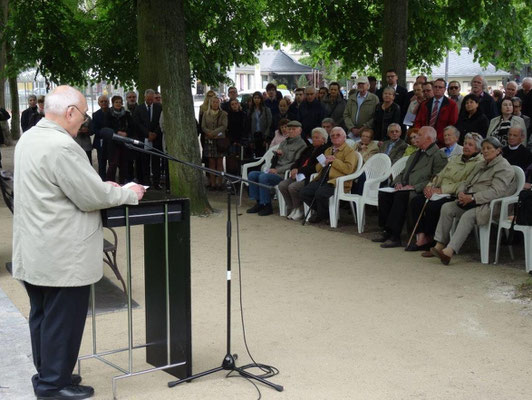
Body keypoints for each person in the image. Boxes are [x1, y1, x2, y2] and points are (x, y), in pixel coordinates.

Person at [12, 85, 146, 400]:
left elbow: (64, 186)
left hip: (36, 248)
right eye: (83, 116)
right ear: (70, 112)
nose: (83, 123)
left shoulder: (30, 137)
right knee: (63, 321)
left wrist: (98, 185)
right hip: (61, 253)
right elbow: (90, 197)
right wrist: (128, 193)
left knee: (43, 316)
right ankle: (53, 386)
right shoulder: (62, 146)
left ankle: (49, 374)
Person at [430, 137, 516, 265]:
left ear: (498, 151)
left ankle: (449, 251)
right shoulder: (480, 164)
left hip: (492, 205)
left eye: (489, 148)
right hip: (471, 201)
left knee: (468, 216)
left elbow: (496, 192)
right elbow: (466, 182)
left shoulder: (504, 168)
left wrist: (473, 197)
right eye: (484, 148)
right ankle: (440, 244)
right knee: (447, 207)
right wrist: (461, 192)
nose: (485, 151)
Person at [407, 132, 483, 253]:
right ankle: (421, 237)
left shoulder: (479, 163)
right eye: (465, 144)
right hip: (439, 191)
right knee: (416, 201)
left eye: (470, 145)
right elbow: (440, 175)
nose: (466, 147)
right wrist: (429, 186)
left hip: (454, 194)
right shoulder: (456, 158)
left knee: (433, 207)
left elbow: (465, 183)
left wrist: (442, 190)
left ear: (478, 148)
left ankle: (430, 237)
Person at [373, 126, 447, 248]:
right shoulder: (415, 154)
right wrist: (397, 183)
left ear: (429, 138)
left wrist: (414, 187)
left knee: (401, 195)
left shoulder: (438, 155)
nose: (416, 138)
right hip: (404, 187)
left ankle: (395, 236)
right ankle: (386, 230)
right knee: (384, 193)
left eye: (420, 135)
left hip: (419, 190)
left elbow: (437, 179)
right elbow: (402, 172)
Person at [246, 120, 307, 216]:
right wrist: (273, 164)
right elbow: (275, 158)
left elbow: (295, 163)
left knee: (263, 178)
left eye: (293, 129)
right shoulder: (284, 143)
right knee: (252, 174)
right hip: (274, 170)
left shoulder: (302, 145)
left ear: (299, 131)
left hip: (283, 174)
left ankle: (267, 205)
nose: (290, 131)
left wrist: (277, 170)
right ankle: (259, 202)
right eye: (289, 129)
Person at [300, 127, 358, 223]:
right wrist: (324, 162)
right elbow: (318, 168)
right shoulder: (328, 150)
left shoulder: (349, 152)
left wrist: (334, 161)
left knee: (320, 193)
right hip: (323, 178)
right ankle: (324, 213)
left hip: (337, 181)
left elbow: (348, 169)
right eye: (332, 135)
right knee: (304, 192)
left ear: (344, 137)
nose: (335, 137)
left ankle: (322, 215)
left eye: (338, 135)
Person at [278, 127, 330, 220]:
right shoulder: (309, 148)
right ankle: (293, 207)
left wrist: (299, 170)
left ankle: (300, 209)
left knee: (293, 187)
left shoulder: (324, 150)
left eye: (317, 137)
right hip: (299, 174)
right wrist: (294, 168)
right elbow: (298, 160)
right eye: (313, 137)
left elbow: (316, 167)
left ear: (323, 139)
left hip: (309, 176)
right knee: (282, 185)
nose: (314, 139)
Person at [133, 88, 163, 188]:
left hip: (156, 139)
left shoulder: (159, 107)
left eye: (152, 99)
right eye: (148, 99)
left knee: (156, 162)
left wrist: (154, 133)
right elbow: (137, 123)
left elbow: (161, 122)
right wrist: (147, 134)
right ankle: (146, 182)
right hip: (143, 138)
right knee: (144, 162)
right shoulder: (139, 108)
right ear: (145, 97)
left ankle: (156, 182)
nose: (150, 101)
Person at [414, 78, 458, 147]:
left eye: (440, 87)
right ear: (433, 88)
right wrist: (421, 135)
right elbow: (418, 121)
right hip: (424, 141)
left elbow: (452, 124)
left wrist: (437, 138)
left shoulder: (452, 105)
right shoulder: (425, 104)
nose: (437, 89)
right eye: (435, 87)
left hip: (441, 142)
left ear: (444, 89)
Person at [105, 95, 135, 184]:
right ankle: (110, 183)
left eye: (119, 102)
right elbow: (107, 126)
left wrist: (126, 133)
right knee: (113, 164)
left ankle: (122, 183)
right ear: (113, 103)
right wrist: (117, 132)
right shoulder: (108, 113)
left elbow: (132, 127)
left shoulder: (127, 114)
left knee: (124, 164)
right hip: (113, 142)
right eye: (116, 102)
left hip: (124, 141)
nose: (118, 104)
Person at [201, 96, 228, 190]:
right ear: (210, 103)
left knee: (219, 162)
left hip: (220, 140)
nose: (215, 104)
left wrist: (214, 133)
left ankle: (220, 183)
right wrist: (208, 133)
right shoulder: (205, 114)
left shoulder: (223, 114)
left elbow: (224, 126)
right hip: (209, 140)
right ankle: (213, 184)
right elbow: (203, 126)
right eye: (213, 102)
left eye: (217, 102)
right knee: (211, 162)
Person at [343, 76, 379, 141]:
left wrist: (363, 128)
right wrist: (352, 128)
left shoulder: (374, 98)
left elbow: (375, 116)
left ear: (368, 85)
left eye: (362, 84)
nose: (360, 85)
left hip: (367, 133)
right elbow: (346, 114)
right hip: (351, 133)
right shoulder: (352, 98)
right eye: (359, 84)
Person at [90, 95, 110, 180]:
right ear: (98, 103)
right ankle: (102, 180)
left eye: (105, 101)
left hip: (111, 141)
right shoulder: (95, 114)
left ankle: (111, 180)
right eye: (102, 101)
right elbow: (93, 129)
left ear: (108, 102)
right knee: (101, 163)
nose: (104, 103)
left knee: (113, 163)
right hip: (100, 142)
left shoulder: (112, 112)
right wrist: (103, 133)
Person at [248, 91, 272, 157]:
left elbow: (269, 124)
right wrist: (251, 139)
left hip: (263, 134)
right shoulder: (250, 110)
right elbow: (249, 125)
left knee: (263, 154)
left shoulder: (266, 110)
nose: (256, 100)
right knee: (255, 154)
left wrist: (266, 137)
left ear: (261, 99)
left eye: (258, 98)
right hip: (254, 135)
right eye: (255, 98)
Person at [226, 98, 246, 174]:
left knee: (242, 159)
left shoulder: (243, 114)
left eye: (236, 104)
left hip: (241, 140)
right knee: (232, 160)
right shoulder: (228, 115)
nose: (234, 106)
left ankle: (241, 175)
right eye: (232, 104)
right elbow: (228, 129)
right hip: (232, 140)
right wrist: (233, 140)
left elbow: (245, 127)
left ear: (238, 104)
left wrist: (241, 140)